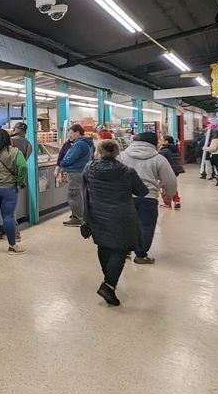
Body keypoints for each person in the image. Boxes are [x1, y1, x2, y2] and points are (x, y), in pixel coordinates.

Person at [83, 140, 148, 306]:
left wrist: (86, 218)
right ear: (118, 153)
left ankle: (108, 280)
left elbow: (85, 192)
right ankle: (109, 285)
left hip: (97, 215)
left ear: (98, 151)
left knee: (103, 247)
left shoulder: (89, 169)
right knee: (120, 250)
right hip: (122, 217)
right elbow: (142, 191)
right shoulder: (127, 171)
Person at [119, 132, 178, 264]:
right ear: (154, 144)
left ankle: (124, 250)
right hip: (148, 197)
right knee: (146, 226)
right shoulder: (159, 159)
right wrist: (169, 194)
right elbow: (170, 180)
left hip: (125, 197)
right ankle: (141, 255)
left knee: (125, 224)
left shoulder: (122, 156)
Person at [0, 129, 28, 254]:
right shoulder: (15, 152)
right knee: (8, 217)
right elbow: (23, 166)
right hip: (9, 188)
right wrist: (19, 183)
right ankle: (12, 245)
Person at [59, 124, 95, 227]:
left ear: (78, 133)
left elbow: (70, 159)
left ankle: (78, 218)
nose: (70, 136)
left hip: (75, 172)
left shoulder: (79, 144)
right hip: (83, 170)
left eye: (71, 133)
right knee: (81, 194)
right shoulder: (89, 143)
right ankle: (81, 216)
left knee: (74, 195)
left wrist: (62, 163)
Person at [158, 136, 185, 208]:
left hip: (167, 170)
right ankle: (176, 200)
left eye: (161, 140)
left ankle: (167, 203)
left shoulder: (165, 150)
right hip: (175, 169)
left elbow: (158, 159)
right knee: (172, 186)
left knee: (165, 187)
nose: (159, 141)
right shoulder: (174, 149)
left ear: (166, 142)